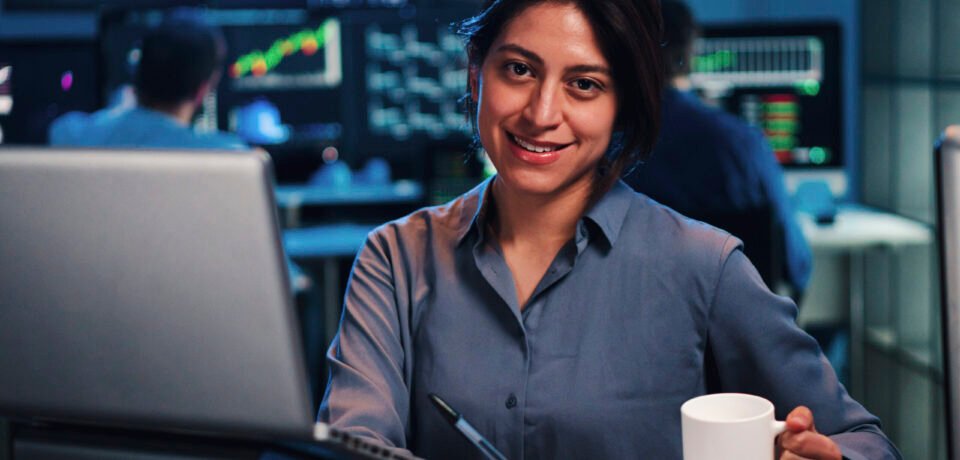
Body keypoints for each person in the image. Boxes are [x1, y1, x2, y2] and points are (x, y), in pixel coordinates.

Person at [319, 1, 900, 459]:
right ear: (476, 76)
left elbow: (866, 443)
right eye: (519, 70)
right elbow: (352, 443)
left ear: (622, 107)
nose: (541, 113)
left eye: (584, 84)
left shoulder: (705, 265)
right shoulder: (395, 258)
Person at [623, 0, 812, 298]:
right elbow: (796, 264)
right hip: (735, 322)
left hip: (639, 319)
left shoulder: (611, 148)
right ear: (688, 53)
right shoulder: (744, 144)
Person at [48, 16, 245, 150]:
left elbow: (60, 130)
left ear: (138, 75)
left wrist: (116, 114)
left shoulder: (72, 135)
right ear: (201, 91)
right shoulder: (228, 155)